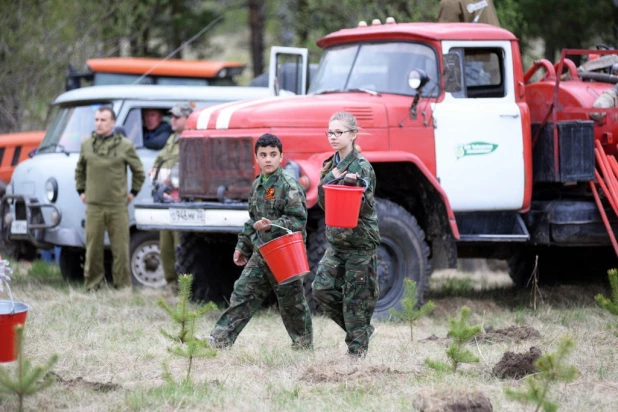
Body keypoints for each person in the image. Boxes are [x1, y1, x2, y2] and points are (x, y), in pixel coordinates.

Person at [209, 133, 313, 350]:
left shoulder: (289, 185)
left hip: (285, 254)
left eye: (273, 155)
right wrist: (242, 246)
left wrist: (271, 225)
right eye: (263, 155)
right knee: (242, 294)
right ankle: (219, 341)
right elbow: (253, 220)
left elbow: (298, 220)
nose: (268, 159)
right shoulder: (257, 185)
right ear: (256, 157)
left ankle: (303, 348)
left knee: (292, 303)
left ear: (281, 157)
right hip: (262, 252)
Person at [312, 112, 380, 358]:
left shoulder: (362, 166)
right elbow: (323, 201)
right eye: (330, 132)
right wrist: (333, 178)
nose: (333, 137)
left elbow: (363, 205)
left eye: (339, 132)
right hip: (338, 242)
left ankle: (356, 353)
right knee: (321, 288)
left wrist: (352, 185)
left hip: (359, 243)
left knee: (355, 299)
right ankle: (361, 330)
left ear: (353, 134)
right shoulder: (329, 164)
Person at [75, 106, 145, 290]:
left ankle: (122, 286)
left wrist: (133, 193)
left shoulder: (125, 145)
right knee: (93, 249)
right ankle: (92, 285)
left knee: (120, 249)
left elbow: (139, 172)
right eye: (96, 120)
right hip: (94, 206)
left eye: (103, 120)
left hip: (117, 206)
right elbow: (79, 170)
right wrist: (81, 191)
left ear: (113, 123)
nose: (99, 123)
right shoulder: (87, 144)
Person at [151, 103, 193, 288]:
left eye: (177, 117)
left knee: (181, 246)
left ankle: (185, 289)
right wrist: (159, 174)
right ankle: (171, 286)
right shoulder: (172, 139)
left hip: (183, 201)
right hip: (167, 200)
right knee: (166, 247)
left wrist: (168, 176)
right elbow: (158, 162)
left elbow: (191, 170)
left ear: (188, 118)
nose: (172, 120)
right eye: (172, 117)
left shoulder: (192, 140)